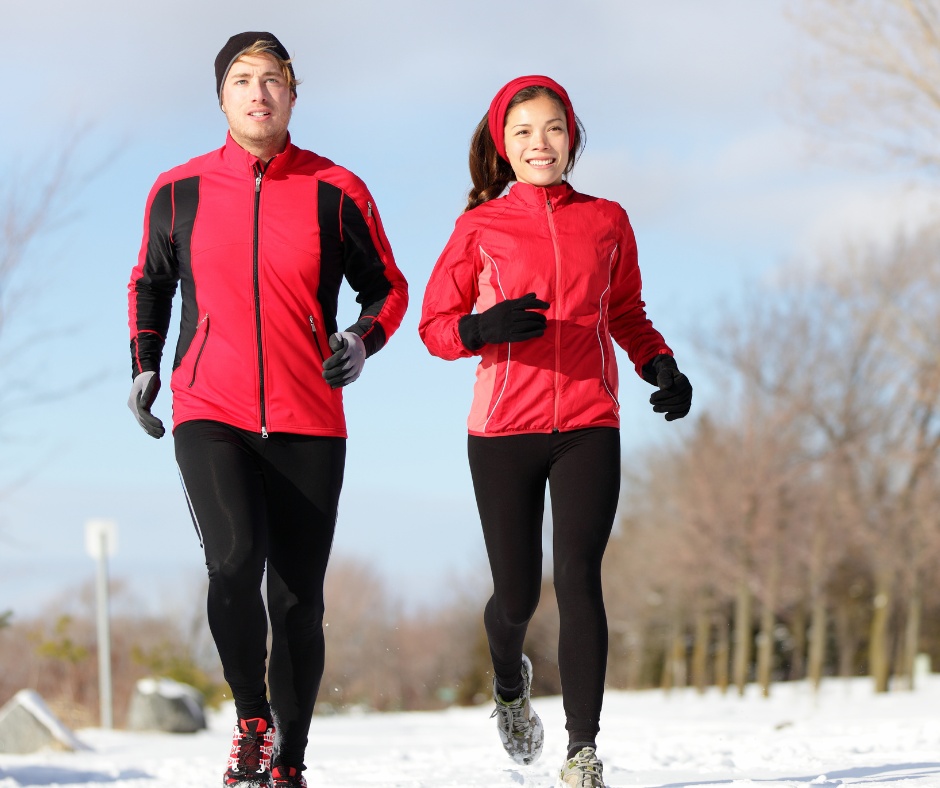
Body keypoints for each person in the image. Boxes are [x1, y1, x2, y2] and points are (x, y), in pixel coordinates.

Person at [127, 32, 408, 788]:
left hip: (309, 415)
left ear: (293, 93)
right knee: (232, 560)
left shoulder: (336, 190)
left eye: (274, 80)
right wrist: (146, 366)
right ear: (221, 96)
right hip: (208, 405)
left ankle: (289, 759)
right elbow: (151, 283)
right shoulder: (177, 190)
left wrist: (359, 338)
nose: (259, 93)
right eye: (243, 80)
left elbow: (387, 288)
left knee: (296, 601)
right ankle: (252, 718)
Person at [419, 75, 692, 788]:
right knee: (516, 596)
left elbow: (626, 310)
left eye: (552, 129)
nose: (540, 144)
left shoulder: (607, 219)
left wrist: (660, 365)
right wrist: (482, 328)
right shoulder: (479, 227)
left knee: (578, 576)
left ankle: (582, 751)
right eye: (523, 133)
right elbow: (434, 328)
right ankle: (510, 684)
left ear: (572, 136)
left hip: (588, 422)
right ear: (502, 147)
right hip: (503, 427)